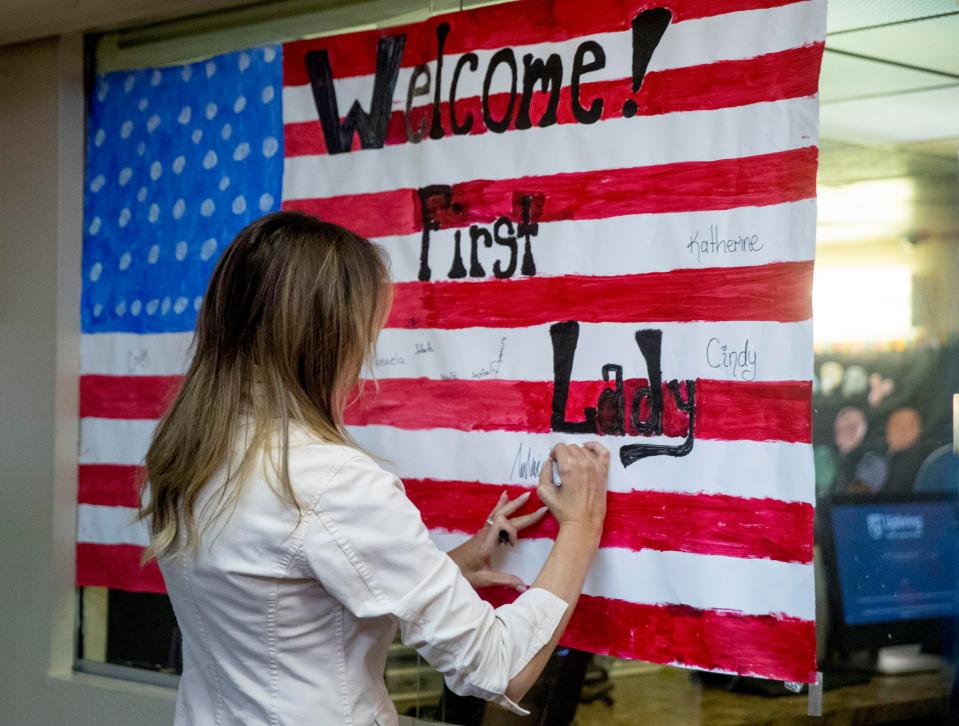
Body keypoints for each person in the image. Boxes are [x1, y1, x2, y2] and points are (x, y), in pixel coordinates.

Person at [138, 211, 611, 726]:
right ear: (327, 340)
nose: (366, 356)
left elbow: (288, 608)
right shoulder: (329, 478)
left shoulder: (188, 453)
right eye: (367, 332)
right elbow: (498, 666)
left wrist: (450, 568)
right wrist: (581, 526)